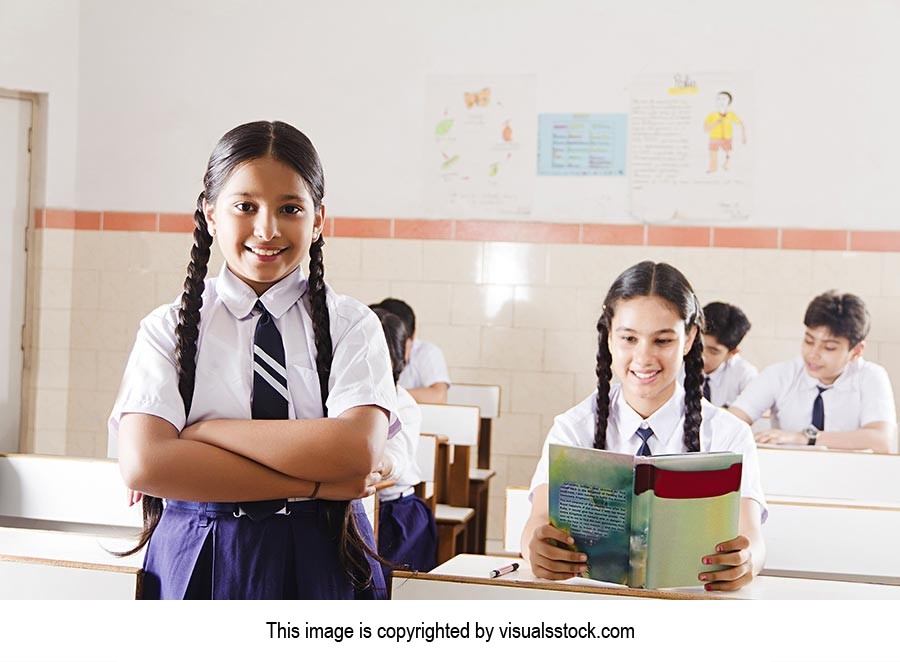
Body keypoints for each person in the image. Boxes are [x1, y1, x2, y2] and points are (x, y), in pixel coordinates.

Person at [109, 121, 400, 599]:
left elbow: (355, 452)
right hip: (198, 551)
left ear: (319, 219)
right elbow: (145, 462)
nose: (267, 229)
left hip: (323, 552)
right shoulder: (168, 328)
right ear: (210, 214)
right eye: (245, 206)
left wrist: (205, 432)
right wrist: (318, 486)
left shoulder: (353, 324)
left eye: (290, 208)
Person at [522, 261, 766, 591]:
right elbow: (536, 523)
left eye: (662, 341)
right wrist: (535, 551)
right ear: (609, 337)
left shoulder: (728, 435)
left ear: (690, 338)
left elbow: (752, 539)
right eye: (629, 338)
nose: (644, 357)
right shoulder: (571, 428)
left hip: (690, 605)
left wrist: (747, 562)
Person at [730, 291, 897, 452]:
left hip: (850, 474)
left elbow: (882, 441)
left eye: (829, 347)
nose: (813, 354)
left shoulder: (871, 376)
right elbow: (731, 421)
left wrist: (805, 438)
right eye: (809, 341)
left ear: (856, 351)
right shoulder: (780, 375)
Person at [370, 307, 438, 574]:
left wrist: (377, 463)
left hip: (396, 516)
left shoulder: (403, 403)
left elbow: (396, 457)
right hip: (351, 511)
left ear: (396, 361)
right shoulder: (335, 396)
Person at [373, 298, 451, 404]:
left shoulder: (428, 352)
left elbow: (439, 397)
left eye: (401, 344)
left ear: (413, 336)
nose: (394, 352)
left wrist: (388, 393)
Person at [700, 301, 758, 408]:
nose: (701, 355)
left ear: (732, 353)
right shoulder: (676, 363)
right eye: (698, 344)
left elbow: (757, 410)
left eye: (713, 351)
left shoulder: (744, 374)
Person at [704, 90, 746, 173]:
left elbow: (741, 124)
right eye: (718, 99)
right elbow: (706, 129)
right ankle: (713, 168)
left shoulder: (731, 115)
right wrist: (715, 123)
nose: (721, 101)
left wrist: (743, 136)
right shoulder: (712, 115)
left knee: (728, 155)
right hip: (714, 138)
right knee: (713, 155)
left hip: (727, 138)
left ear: (729, 102)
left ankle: (726, 165)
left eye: (724, 99)